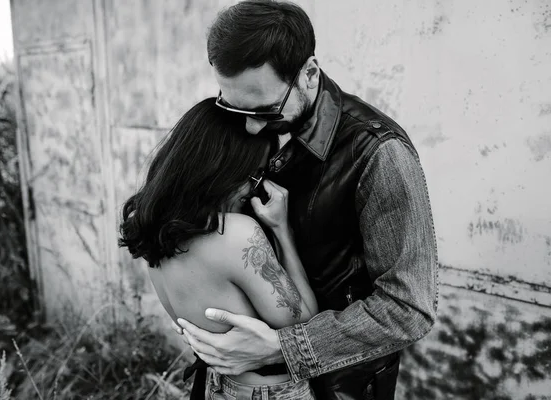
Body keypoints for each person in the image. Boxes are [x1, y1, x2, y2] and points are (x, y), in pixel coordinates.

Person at [173, 1, 439, 399]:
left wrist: (284, 348)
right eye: (232, 105)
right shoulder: (245, 118)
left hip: (337, 387)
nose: (248, 125)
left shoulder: (379, 154)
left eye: (265, 110)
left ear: (309, 73)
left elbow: (407, 309)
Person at [119, 98, 319, 399]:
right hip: (269, 391)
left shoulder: (154, 235)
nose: (254, 188)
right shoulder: (235, 233)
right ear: (224, 170)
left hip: (216, 386)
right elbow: (303, 321)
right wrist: (282, 230)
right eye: (256, 175)